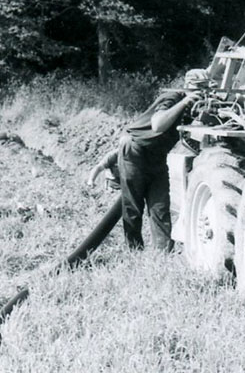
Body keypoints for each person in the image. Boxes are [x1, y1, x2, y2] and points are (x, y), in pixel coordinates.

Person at [89, 69, 208, 250]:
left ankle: (163, 253)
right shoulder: (172, 97)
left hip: (157, 155)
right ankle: (134, 250)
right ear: (189, 88)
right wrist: (184, 102)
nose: (202, 96)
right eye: (199, 91)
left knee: (160, 205)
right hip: (135, 149)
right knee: (133, 207)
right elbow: (158, 124)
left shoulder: (194, 108)